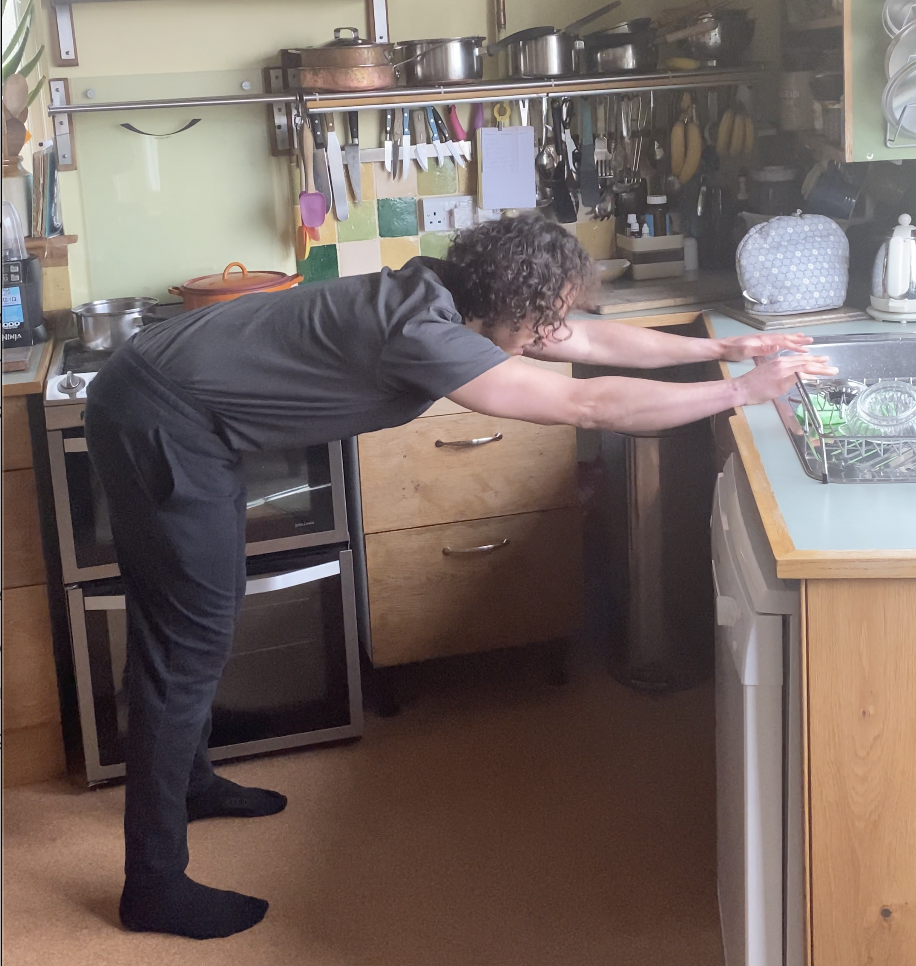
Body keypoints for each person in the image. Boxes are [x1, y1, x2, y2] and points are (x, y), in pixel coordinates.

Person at [84, 214, 835, 941]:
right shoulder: (426, 333)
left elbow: (589, 340)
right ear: (513, 306)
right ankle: (153, 883)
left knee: (191, 623)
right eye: (544, 322)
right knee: (185, 641)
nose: (553, 336)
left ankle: (192, 781)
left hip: (169, 391)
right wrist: (739, 393)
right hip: (162, 416)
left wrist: (730, 354)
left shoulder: (452, 289)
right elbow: (586, 399)